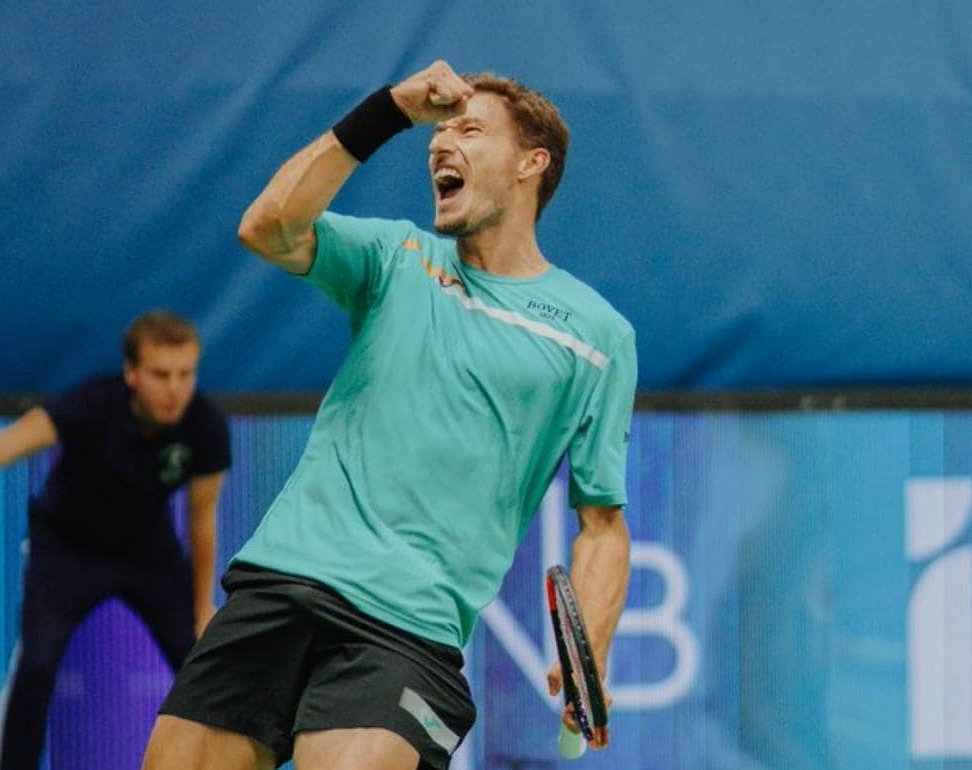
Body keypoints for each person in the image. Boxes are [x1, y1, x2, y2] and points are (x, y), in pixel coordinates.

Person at [142, 60, 635, 770]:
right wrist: (390, 112)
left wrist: (592, 647)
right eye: (437, 134)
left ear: (532, 163)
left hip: (406, 629)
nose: (441, 144)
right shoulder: (395, 256)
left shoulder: (596, 335)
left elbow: (602, 521)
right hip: (279, 583)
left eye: (470, 130)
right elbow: (267, 227)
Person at [0, 310, 231, 770]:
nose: (174, 389)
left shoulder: (205, 424)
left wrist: (201, 607)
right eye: (161, 374)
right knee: (35, 668)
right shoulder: (91, 404)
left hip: (148, 556)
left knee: (206, 669)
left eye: (185, 374)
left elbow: (202, 519)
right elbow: (8, 443)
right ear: (132, 373)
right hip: (66, 551)